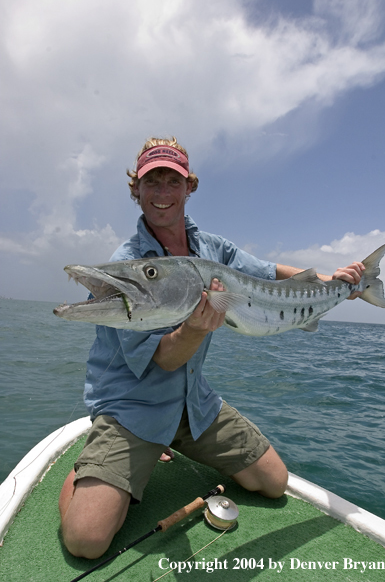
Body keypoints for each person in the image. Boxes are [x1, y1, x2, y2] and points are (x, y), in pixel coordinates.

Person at [59, 137, 364, 559]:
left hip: (193, 403)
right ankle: (85, 472)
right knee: (86, 541)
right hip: (132, 410)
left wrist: (335, 284)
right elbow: (165, 359)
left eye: (172, 182)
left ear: (189, 189)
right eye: (151, 182)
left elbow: (269, 272)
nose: (162, 193)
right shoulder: (129, 265)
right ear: (137, 190)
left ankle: (172, 442)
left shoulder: (212, 249)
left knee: (274, 483)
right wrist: (196, 330)